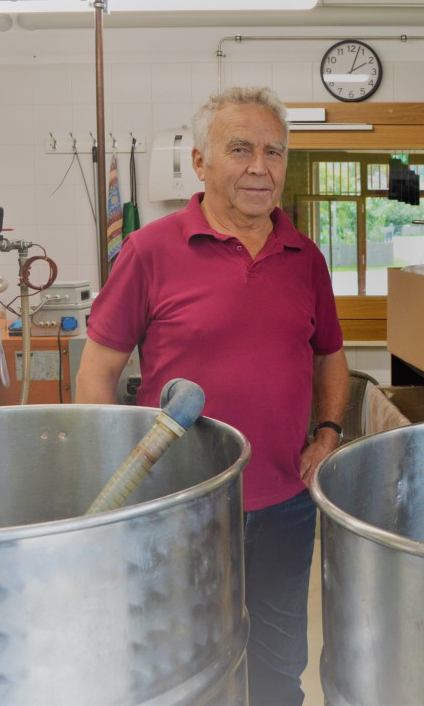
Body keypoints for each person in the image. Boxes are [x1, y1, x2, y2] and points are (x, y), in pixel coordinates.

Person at [75, 86, 349, 706]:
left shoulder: (305, 257)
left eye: (274, 152)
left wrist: (328, 433)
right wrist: (126, 479)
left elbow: (330, 354)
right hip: (180, 507)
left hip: (283, 503)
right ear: (200, 162)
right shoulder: (149, 250)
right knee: (179, 664)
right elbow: (96, 374)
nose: (260, 167)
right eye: (240, 149)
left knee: (280, 666)